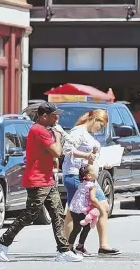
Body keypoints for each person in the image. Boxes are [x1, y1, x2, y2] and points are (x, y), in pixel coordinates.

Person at [0, 102, 83, 262]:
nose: (58, 118)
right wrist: (58, 135)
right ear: (43, 116)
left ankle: (63, 251)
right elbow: (56, 152)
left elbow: (53, 154)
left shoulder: (45, 130)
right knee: (30, 214)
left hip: (47, 178)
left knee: (58, 214)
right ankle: (2, 242)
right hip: (37, 180)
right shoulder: (38, 130)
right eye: (54, 115)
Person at [62, 109, 120, 256]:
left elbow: (91, 157)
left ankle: (101, 245)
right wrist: (87, 155)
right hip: (76, 175)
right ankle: (67, 246)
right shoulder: (78, 131)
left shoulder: (88, 134)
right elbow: (67, 149)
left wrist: (103, 162)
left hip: (88, 178)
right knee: (74, 211)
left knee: (103, 206)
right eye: (100, 125)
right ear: (94, 119)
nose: (100, 129)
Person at [68, 164, 104, 253]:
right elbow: (92, 199)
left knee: (78, 228)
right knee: (83, 227)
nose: (97, 172)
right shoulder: (92, 185)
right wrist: (99, 207)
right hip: (82, 209)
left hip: (74, 208)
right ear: (89, 175)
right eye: (94, 171)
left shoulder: (82, 184)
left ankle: (72, 247)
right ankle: (74, 247)